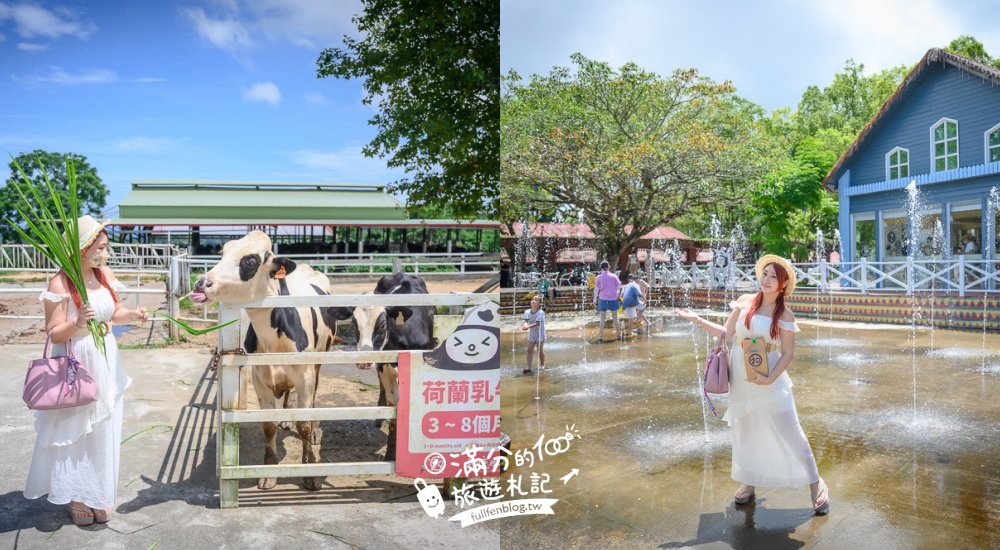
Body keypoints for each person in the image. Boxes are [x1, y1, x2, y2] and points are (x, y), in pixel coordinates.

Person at [673, 254, 830, 515]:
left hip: (769, 378)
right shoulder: (745, 302)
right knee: (746, 430)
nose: (766, 280)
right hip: (741, 377)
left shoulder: (785, 314)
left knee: (790, 430)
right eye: (764, 274)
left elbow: (788, 352)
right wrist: (698, 320)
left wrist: (770, 377)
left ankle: (815, 483)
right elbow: (726, 334)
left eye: (773, 277)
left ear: (782, 285)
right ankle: (750, 480)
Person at [24, 216, 149, 526]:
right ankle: (77, 496)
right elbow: (54, 333)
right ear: (82, 248)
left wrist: (131, 314)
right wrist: (78, 321)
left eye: (106, 247)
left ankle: (97, 491)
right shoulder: (61, 282)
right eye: (101, 247)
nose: (105, 253)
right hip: (77, 362)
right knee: (78, 430)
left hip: (107, 359)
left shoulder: (104, 275)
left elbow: (114, 313)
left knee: (104, 428)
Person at [592, 261, 621, 342]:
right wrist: (617, 295)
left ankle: (601, 336)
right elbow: (618, 288)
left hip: (603, 299)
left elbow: (596, 290)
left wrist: (594, 300)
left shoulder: (598, 277)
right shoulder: (614, 276)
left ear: (601, 267)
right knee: (615, 318)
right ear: (609, 267)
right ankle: (619, 335)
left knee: (602, 319)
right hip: (613, 298)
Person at [521, 295, 546, 374]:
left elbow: (538, 323)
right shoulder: (527, 311)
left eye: (536, 300)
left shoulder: (540, 312)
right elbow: (526, 320)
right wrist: (525, 324)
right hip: (532, 333)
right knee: (529, 350)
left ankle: (542, 364)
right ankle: (528, 366)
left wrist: (528, 326)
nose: (533, 301)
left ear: (539, 304)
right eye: (532, 299)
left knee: (539, 350)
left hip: (540, 333)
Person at [620, 273, 642, 339]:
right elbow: (639, 294)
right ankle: (630, 333)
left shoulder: (627, 286)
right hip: (631, 303)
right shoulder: (632, 285)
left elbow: (621, 294)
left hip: (628, 302)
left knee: (632, 317)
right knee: (631, 318)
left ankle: (632, 330)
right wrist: (645, 300)